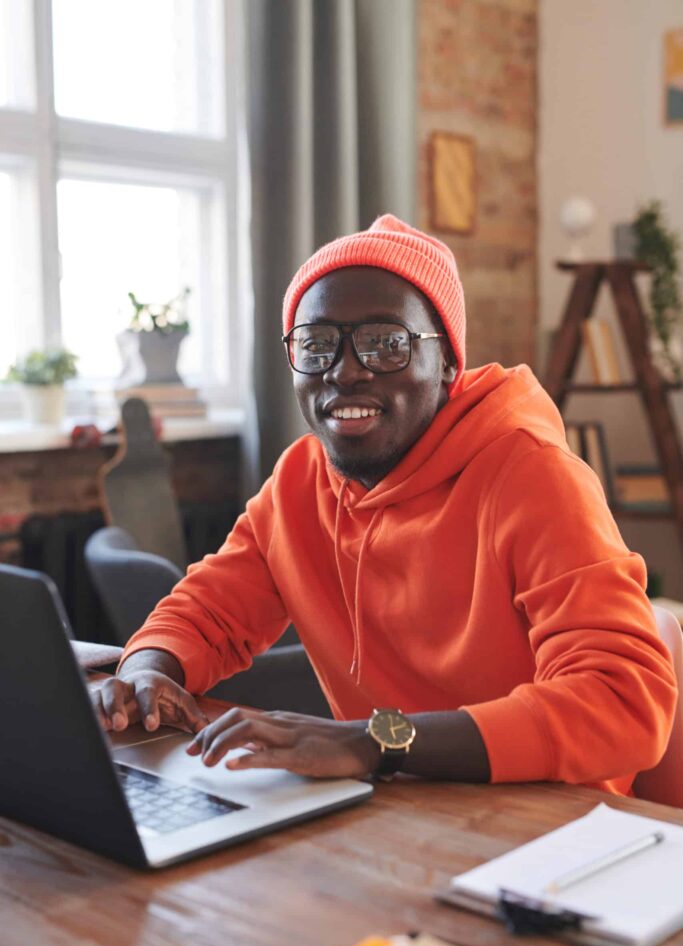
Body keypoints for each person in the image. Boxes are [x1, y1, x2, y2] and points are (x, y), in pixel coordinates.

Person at [93, 215, 676, 794]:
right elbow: (210, 610)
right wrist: (150, 670)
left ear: (448, 362)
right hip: (397, 803)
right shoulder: (300, 479)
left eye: (385, 344)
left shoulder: (532, 476)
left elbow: (622, 702)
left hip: (545, 821)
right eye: (316, 344)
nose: (345, 372)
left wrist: (374, 741)